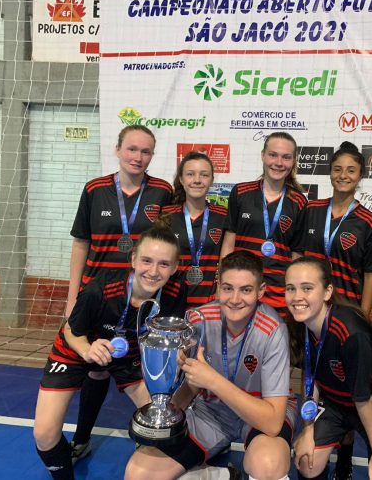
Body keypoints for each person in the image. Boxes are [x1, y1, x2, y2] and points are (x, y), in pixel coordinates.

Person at [125, 251, 295, 480]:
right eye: (227, 288)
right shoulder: (198, 320)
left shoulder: (274, 330)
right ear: (217, 287)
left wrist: (212, 380)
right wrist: (165, 422)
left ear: (261, 291)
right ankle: (221, 475)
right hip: (212, 413)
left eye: (246, 290)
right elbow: (191, 386)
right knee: (138, 474)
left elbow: (273, 423)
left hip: (260, 413)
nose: (235, 299)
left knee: (267, 465)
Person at [33, 224, 182, 480]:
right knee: (44, 435)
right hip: (80, 345)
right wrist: (87, 350)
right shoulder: (99, 289)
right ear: (133, 259)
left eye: (164, 264)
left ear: (175, 267)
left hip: (129, 355)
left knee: (161, 423)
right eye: (146, 260)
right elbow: (71, 330)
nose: (153, 271)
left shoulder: (175, 294)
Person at [65, 125, 173, 462]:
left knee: (140, 370)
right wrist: (72, 297)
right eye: (132, 149)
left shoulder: (163, 191)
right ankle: (81, 439)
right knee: (96, 366)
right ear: (117, 149)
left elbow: (167, 246)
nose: (138, 157)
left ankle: (152, 438)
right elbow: (81, 243)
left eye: (145, 151)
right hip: (99, 299)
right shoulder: (95, 189)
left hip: (141, 299)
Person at [286, 257, 372, 480]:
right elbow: (311, 377)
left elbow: (363, 399)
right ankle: (344, 449)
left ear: (327, 292)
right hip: (338, 403)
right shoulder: (300, 322)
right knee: (307, 462)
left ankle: (350, 446)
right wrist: (308, 429)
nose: (297, 297)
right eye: (290, 288)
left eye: (307, 288)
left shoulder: (352, 334)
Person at [221, 132, 308, 315]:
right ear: (263, 155)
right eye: (273, 155)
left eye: (286, 157)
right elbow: (229, 243)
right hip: (240, 290)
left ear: (293, 161)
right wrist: (221, 284)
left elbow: (297, 254)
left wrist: (295, 291)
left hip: (278, 293)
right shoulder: (241, 192)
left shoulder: (299, 201)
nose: (279, 162)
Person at [303, 141, 372, 318]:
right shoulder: (311, 210)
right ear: (330, 172)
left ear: (360, 175)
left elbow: (370, 275)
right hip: (308, 304)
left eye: (351, 170)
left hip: (347, 309)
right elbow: (298, 256)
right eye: (337, 169)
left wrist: (363, 318)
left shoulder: (368, 221)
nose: (343, 176)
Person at [162, 151, 228, 310]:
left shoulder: (224, 216)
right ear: (181, 179)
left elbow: (227, 259)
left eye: (204, 175)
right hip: (172, 302)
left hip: (211, 303)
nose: (197, 180)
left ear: (212, 180)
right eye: (190, 174)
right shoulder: (166, 215)